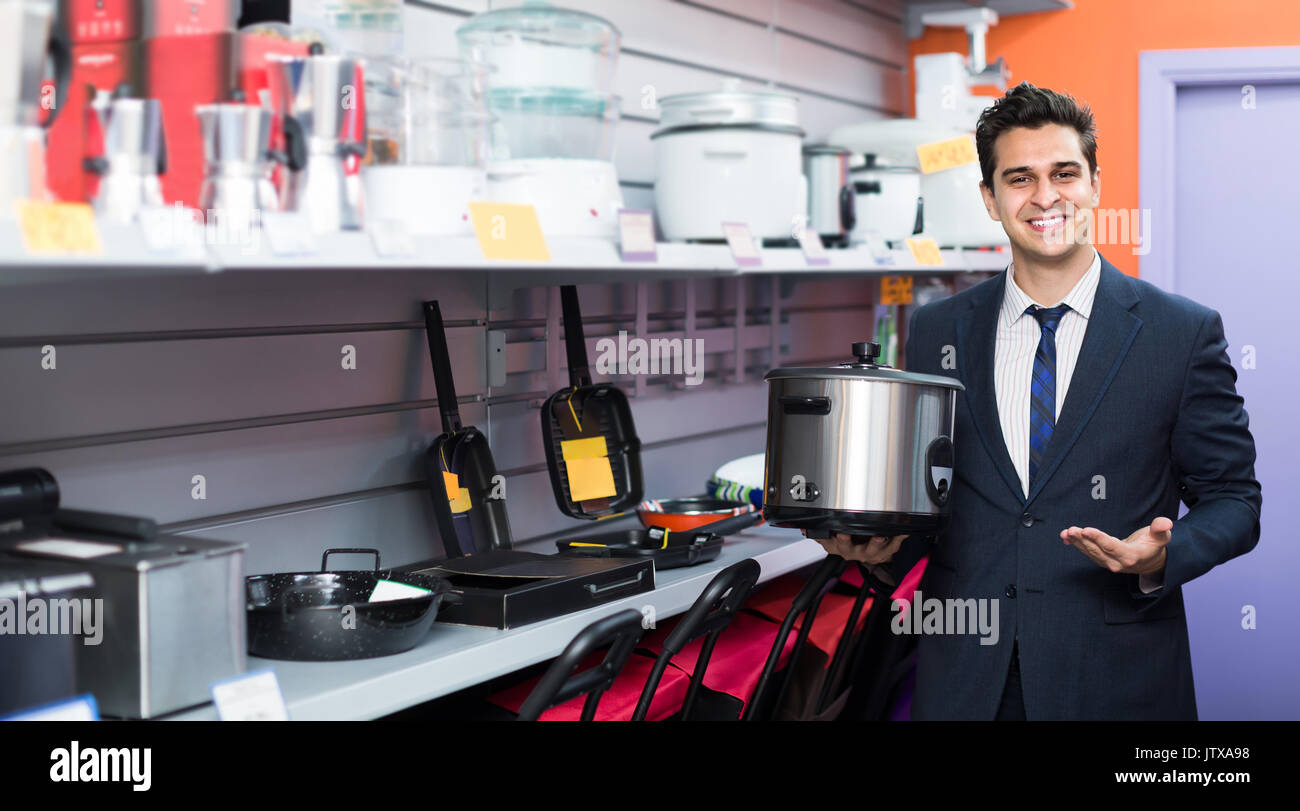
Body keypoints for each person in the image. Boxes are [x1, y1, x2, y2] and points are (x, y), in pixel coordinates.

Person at [814, 82, 1261, 720]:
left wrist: (1164, 555)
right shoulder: (940, 330)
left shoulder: (1179, 333)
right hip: (967, 678)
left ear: (1096, 186)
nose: (1046, 197)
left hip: (1115, 680)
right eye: (1019, 177)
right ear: (990, 199)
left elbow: (1236, 502)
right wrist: (880, 551)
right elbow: (934, 500)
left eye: (1064, 174)